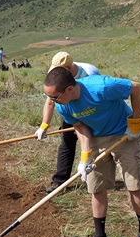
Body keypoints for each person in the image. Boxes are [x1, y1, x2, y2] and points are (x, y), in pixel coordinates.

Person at [43, 67, 140, 237]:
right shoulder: (63, 105)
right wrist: (85, 157)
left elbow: (136, 88)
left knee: (135, 185)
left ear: (69, 89)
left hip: (123, 133)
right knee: (96, 186)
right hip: (96, 138)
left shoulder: (101, 86)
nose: (51, 102)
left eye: (54, 97)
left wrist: (136, 122)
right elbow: (79, 126)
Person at [36, 52, 100, 193]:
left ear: (69, 68)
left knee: (95, 144)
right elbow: (50, 101)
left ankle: (96, 179)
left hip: (90, 112)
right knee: (66, 143)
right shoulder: (57, 75)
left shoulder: (90, 73)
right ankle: (59, 182)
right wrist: (44, 126)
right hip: (70, 111)